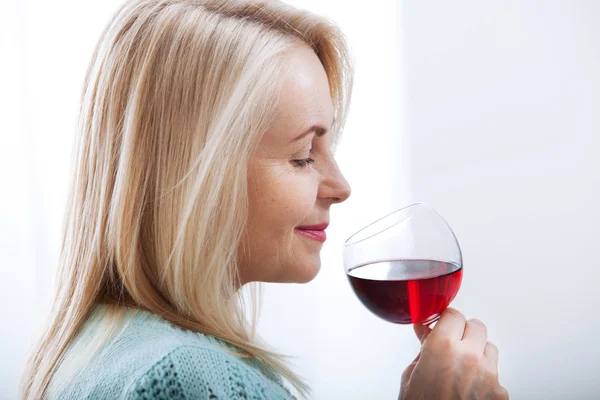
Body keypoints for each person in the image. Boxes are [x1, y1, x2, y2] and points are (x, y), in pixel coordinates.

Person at [20, 0, 509, 399]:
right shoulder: (191, 380)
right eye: (302, 155)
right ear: (198, 176)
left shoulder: (94, 347)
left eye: (327, 147)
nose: (341, 186)